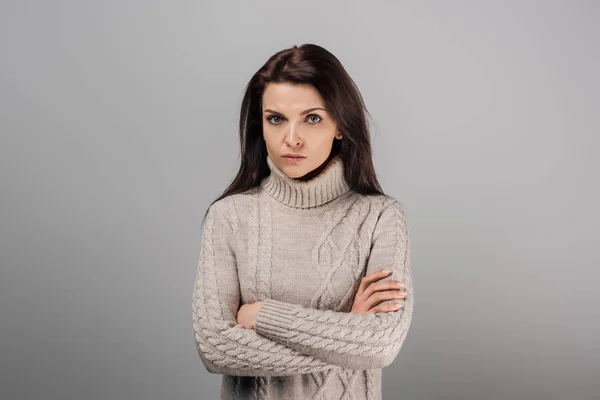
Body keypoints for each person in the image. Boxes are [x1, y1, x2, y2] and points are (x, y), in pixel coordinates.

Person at [192, 43, 414, 400]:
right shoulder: (229, 217)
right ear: (259, 125)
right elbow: (215, 347)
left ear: (340, 125)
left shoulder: (380, 218)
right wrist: (346, 334)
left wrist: (262, 316)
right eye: (275, 118)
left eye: (312, 118)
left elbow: (380, 345)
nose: (291, 138)